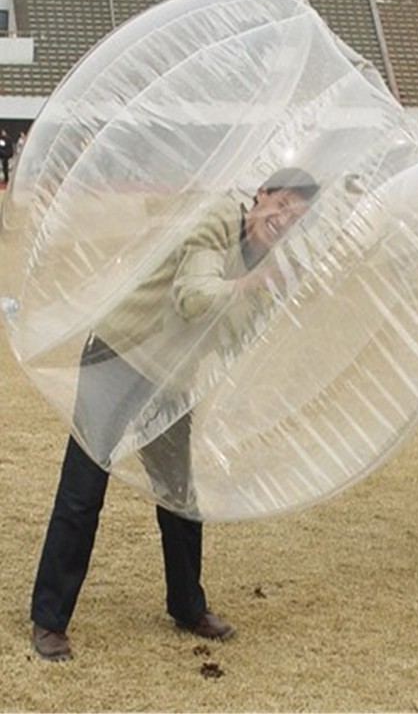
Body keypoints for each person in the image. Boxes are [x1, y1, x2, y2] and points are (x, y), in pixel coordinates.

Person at [30, 167, 319, 660]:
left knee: (179, 495)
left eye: (296, 218)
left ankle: (188, 606)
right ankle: (49, 619)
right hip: (119, 355)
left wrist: (265, 293)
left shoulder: (267, 264)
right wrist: (250, 284)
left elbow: (229, 338)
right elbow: (192, 296)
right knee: (84, 489)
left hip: (170, 379)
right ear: (261, 195)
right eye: (283, 204)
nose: (284, 219)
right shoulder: (214, 222)